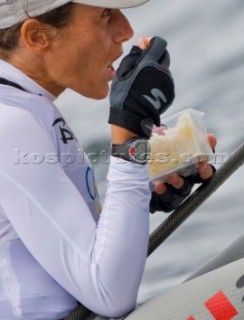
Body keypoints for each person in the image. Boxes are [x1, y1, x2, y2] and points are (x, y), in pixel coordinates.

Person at [0, 1, 216, 319]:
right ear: (36, 36)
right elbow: (107, 292)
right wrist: (128, 131)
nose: (126, 30)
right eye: (105, 15)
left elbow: (63, 255)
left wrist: (139, 197)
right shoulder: (10, 122)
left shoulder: (22, 104)